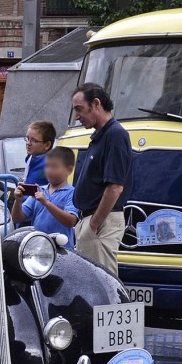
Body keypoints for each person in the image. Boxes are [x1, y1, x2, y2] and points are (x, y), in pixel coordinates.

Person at [71, 83, 133, 277]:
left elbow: (115, 187)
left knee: (101, 286)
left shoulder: (115, 134)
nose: (76, 116)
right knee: (91, 284)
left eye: (79, 109)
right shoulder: (103, 135)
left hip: (101, 223)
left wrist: (94, 224)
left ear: (96, 104)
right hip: (94, 221)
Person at [10, 146, 79, 247]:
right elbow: (17, 218)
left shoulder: (72, 193)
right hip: (38, 248)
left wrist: (46, 203)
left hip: (63, 249)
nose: (49, 170)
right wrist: (18, 201)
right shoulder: (40, 190)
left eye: (54, 167)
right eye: (46, 166)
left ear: (69, 170)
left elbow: (71, 221)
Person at [23, 121, 55, 186]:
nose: (28, 143)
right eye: (27, 138)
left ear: (47, 145)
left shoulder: (50, 165)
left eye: (34, 140)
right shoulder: (30, 159)